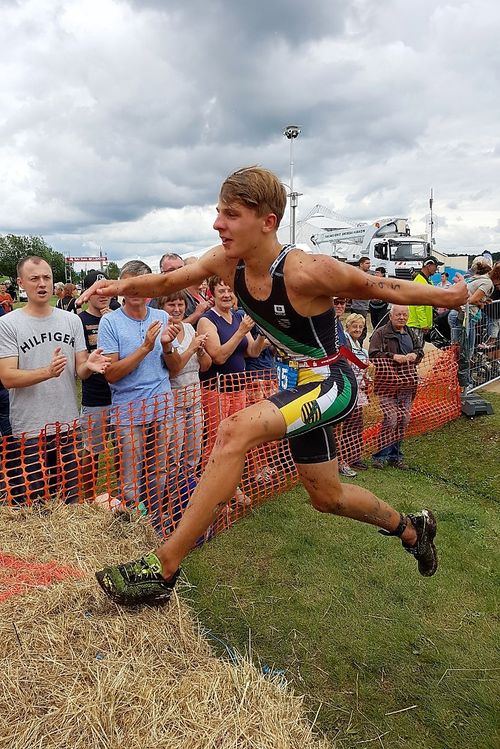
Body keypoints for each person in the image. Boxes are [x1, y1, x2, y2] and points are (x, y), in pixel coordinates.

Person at [80, 166, 467, 604]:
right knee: (327, 496)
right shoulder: (224, 262)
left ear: (267, 221)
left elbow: (379, 285)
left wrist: (448, 296)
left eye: (231, 215)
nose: (217, 224)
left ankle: (163, 568)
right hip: (299, 382)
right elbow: (169, 281)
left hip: (331, 382)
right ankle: (413, 529)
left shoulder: (305, 270)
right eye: (218, 212)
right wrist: (119, 284)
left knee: (234, 431)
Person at [0, 256, 109, 504]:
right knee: (35, 502)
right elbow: (7, 376)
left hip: (68, 424)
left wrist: (89, 365)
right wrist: (47, 372)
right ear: (20, 283)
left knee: (70, 500)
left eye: (46, 277)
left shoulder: (71, 320)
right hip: (30, 428)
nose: (42, 283)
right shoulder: (7, 324)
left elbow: (80, 369)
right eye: (34, 278)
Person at [97, 260, 182, 532]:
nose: (135, 291)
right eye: (129, 285)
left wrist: (167, 347)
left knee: (160, 470)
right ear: (121, 288)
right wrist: (145, 347)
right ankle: (135, 528)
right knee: (131, 475)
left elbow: (175, 368)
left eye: (141, 285)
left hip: (162, 404)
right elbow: (111, 374)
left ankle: (155, 520)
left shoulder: (162, 317)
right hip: (128, 409)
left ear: (150, 289)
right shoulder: (110, 322)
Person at [157, 290, 212, 477]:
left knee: (194, 453)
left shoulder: (189, 328)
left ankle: (188, 487)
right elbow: (173, 370)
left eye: (180, 304)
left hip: (195, 401)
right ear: (162, 307)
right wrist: (191, 349)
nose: (177, 309)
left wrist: (201, 351)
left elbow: (205, 366)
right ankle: (173, 492)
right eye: (171, 304)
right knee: (172, 457)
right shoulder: (161, 334)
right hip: (174, 404)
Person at [369, 305, 424, 470]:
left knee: (403, 420)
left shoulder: (410, 332)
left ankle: (395, 456)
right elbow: (373, 355)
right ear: (390, 316)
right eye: (398, 314)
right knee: (391, 419)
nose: (402, 317)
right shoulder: (380, 334)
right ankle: (379, 457)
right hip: (387, 385)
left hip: (407, 384)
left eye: (404, 315)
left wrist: (416, 355)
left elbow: (420, 350)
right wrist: (393, 357)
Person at [78, 270, 116, 500]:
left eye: (106, 290)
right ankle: (89, 496)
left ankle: (123, 494)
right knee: (92, 450)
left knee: (122, 448)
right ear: (88, 292)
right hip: (95, 396)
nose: (103, 295)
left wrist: (113, 320)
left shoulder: (118, 316)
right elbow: (80, 364)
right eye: (97, 290)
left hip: (121, 394)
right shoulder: (80, 320)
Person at [339, 313, 371, 476]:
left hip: (359, 392)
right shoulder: (345, 343)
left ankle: (354, 457)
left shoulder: (362, 349)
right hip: (346, 391)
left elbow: (364, 371)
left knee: (357, 426)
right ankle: (342, 459)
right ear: (348, 327)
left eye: (360, 327)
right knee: (345, 428)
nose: (357, 329)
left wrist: (368, 378)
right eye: (354, 326)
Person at [407, 256, 443, 346]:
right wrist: (424, 324)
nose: (437, 269)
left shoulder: (427, 281)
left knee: (418, 350)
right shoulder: (420, 282)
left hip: (419, 324)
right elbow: (419, 305)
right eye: (435, 266)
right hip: (416, 325)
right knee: (416, 350)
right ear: (428, 265)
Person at [349, 256, 371, 344]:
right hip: (358, 306)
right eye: (367, 263)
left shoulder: (367, 275)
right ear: (361, 264)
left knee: (361, 329)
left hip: (364, 306)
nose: (369, 265)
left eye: (369, 263)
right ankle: (357, 346)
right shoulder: (358, 275)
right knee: (360, 328)